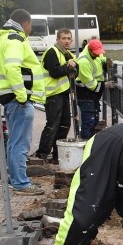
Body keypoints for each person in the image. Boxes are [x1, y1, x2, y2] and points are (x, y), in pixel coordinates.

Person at [0, 8, 45, 195]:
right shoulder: (15, 39)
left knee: (14, 143)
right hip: (18, 100)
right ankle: (21, 183)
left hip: (10, 98)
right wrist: (22, 95)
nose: (30, 29)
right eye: (30, 25)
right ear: (26, 23)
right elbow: (12, 67)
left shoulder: (5, 38)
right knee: (21, 144)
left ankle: (15, 180)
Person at [33, 28, 76, 162]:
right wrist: (68, 67)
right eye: (64, 38)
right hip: (53, 95)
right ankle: (42, 153)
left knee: (65, 124)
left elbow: (76, 71)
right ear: (57, 39)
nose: (67, 41)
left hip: (63, 94)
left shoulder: (68, 54)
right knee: (53, 125)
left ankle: (58, 154)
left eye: (69, 38)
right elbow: (54, 72)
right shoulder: (52, 52)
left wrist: (73, 66)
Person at [75, 39, 113, 139]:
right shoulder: (83, 62)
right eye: (95, 53)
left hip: (92, 95)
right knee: (89, 122)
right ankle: (85, 143)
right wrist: (105, 85)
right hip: (85, 94)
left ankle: (90, 142)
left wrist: (107, 62)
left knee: (94, 120)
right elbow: (91, 85)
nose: (98, 55)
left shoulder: (95, 54)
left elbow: (101, 59)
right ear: (89, 50)